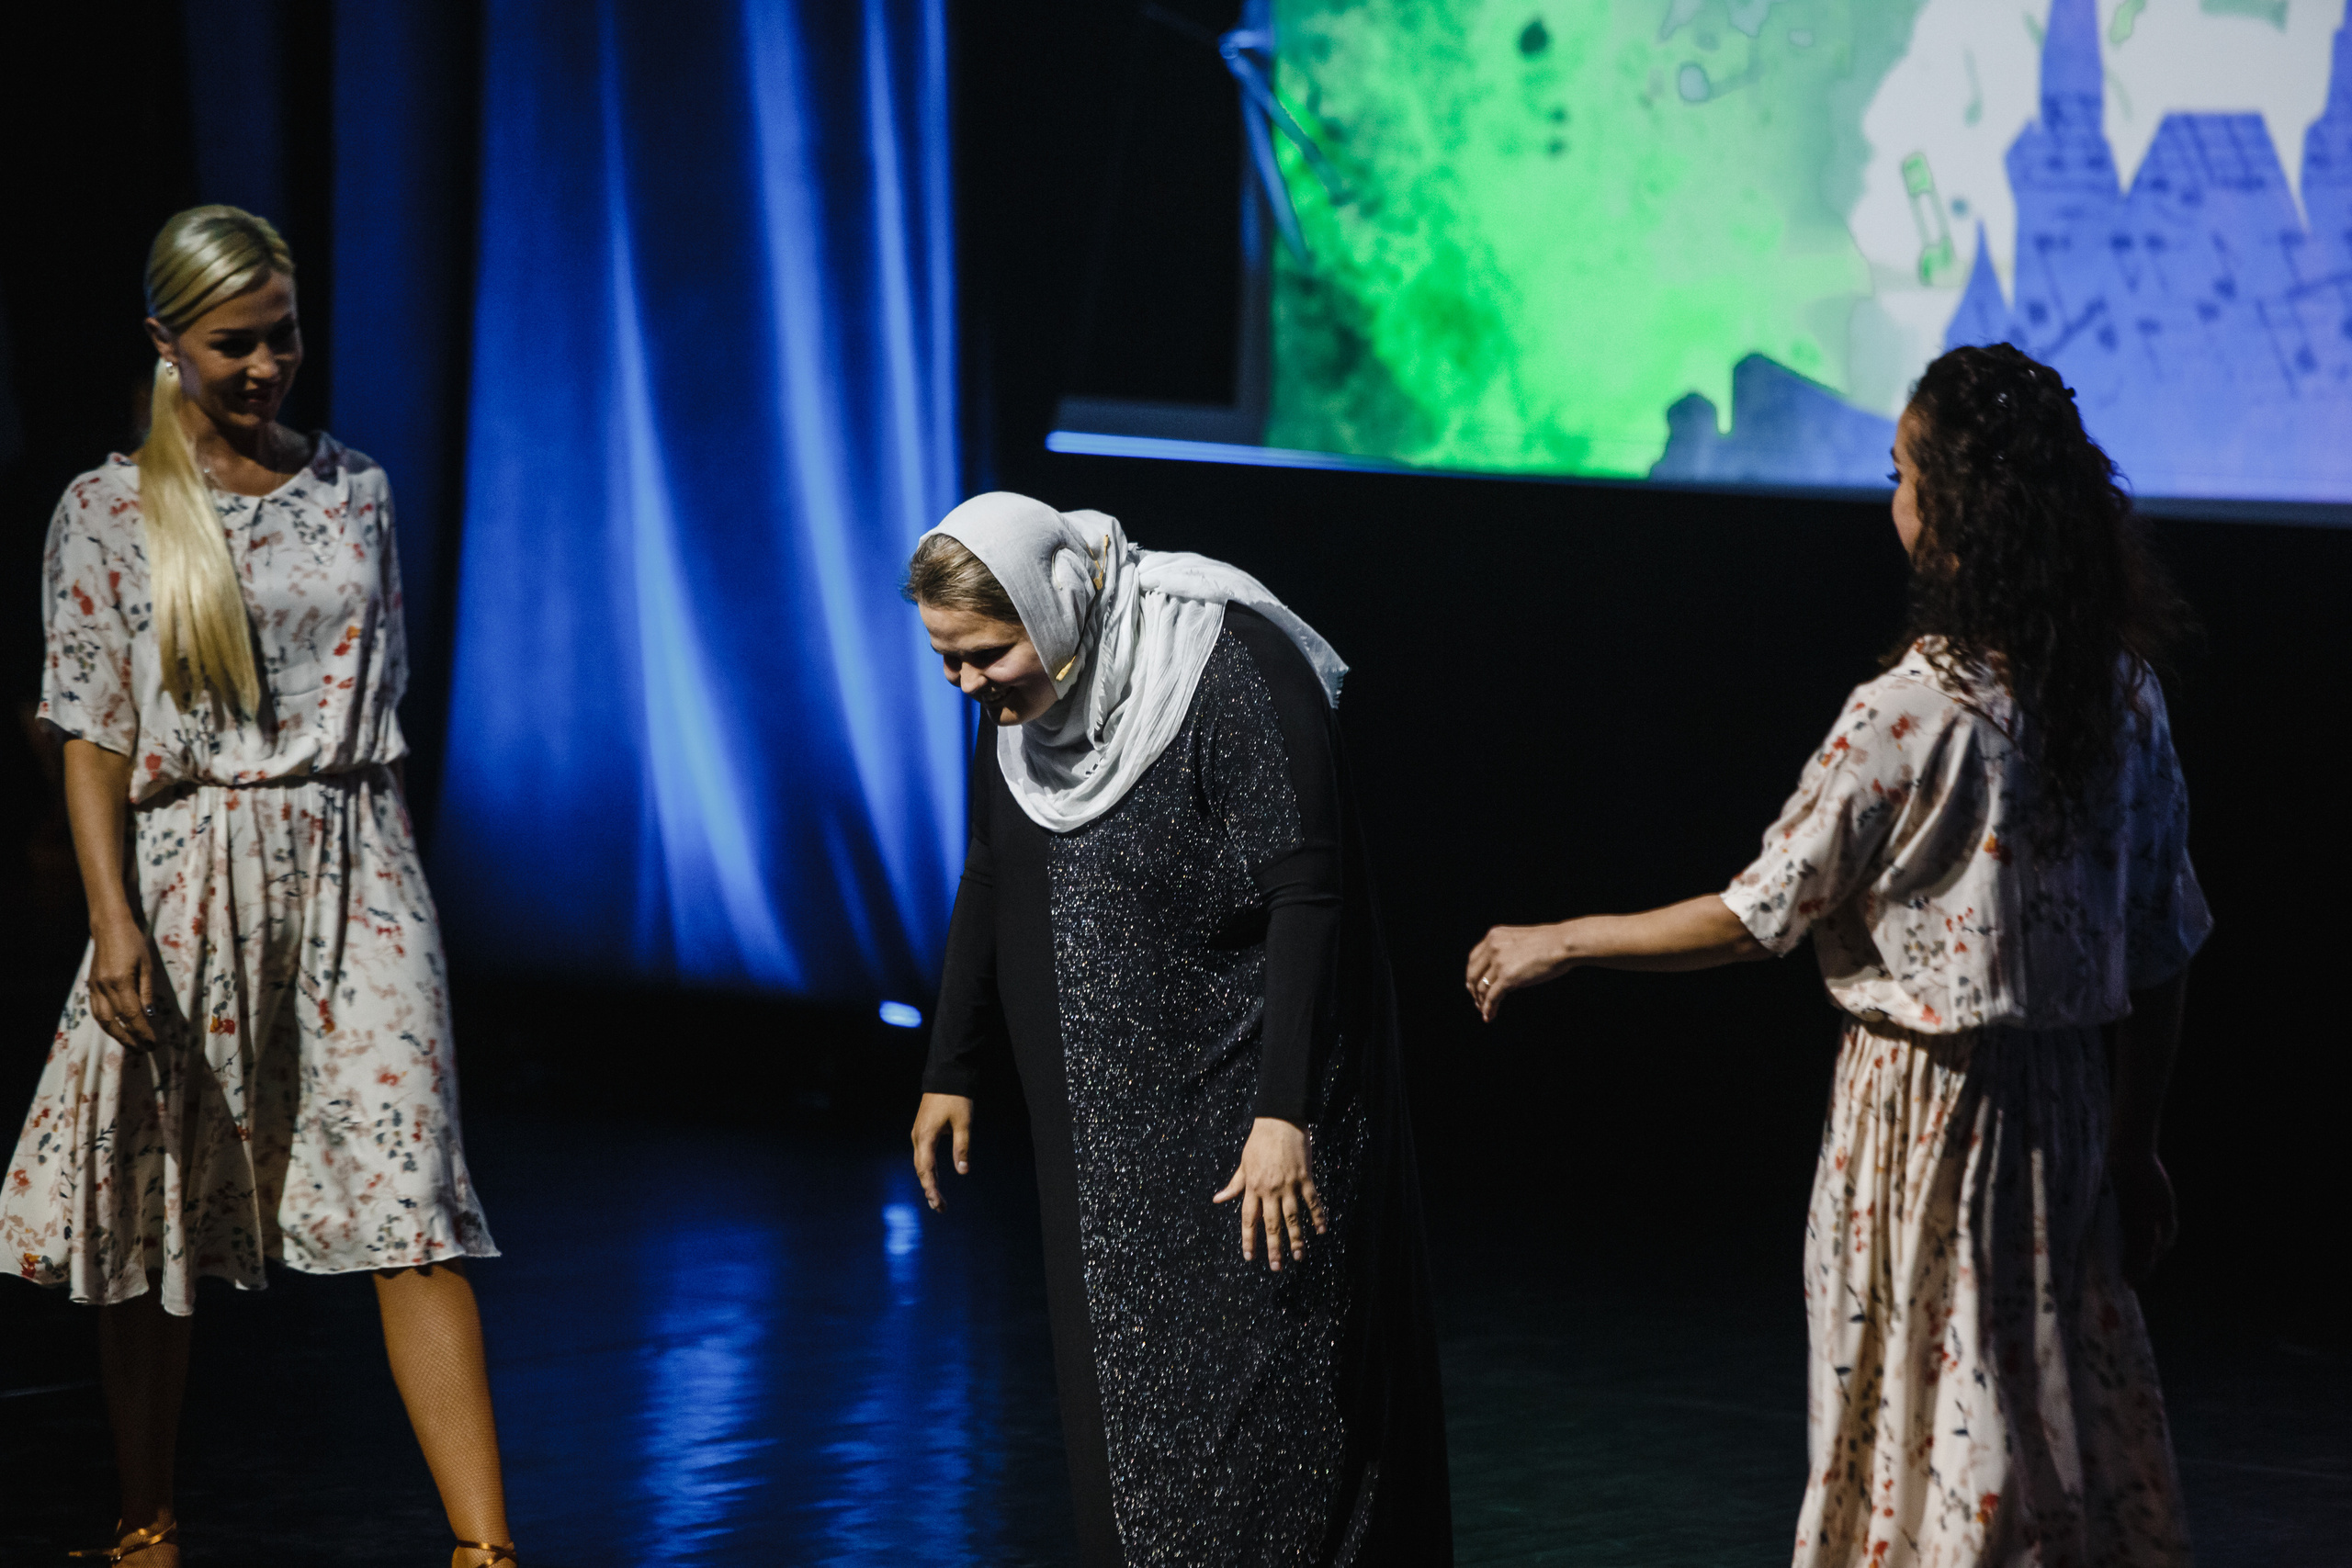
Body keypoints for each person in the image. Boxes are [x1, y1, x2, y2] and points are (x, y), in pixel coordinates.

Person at [1465, 344, 2205, 1566]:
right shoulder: (2123, 697)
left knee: (1940, 1416)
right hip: (2065, 1113)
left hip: (1929, 1127)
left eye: (1903, 473)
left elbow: (1761, 909)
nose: (1892, 500)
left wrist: (1567, 937)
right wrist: (2134, 1134)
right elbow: (2166, 947)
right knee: (2043, 1403)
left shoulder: (1914, 711)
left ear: (1953, 515)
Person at [0, 207, 517, 1568]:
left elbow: (383, 691)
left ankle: (488, 1548)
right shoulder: (110, 511)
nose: (265, 365)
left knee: (412, 1192)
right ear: (167, 342)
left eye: (283, 335)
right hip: (186, 870)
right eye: (235, 342)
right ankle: (146, 1516)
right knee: (156, 1192)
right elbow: (95, 730)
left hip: (359, 859)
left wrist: (376, 859)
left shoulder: (360, 490)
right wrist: (110, 917)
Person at [906, 492, 1451, 1566]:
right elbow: (990, 872)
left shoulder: (1223, 664)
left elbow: (1309, 891)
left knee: (1272, 1419)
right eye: (947, 660)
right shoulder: (1027, 711)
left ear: (1052, 605)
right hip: (1113, 1134)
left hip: (1252, 1102)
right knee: (1135, 1420)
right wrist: (951, 1063)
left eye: (982, 653)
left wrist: (1283, 1112)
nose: (966, 684)